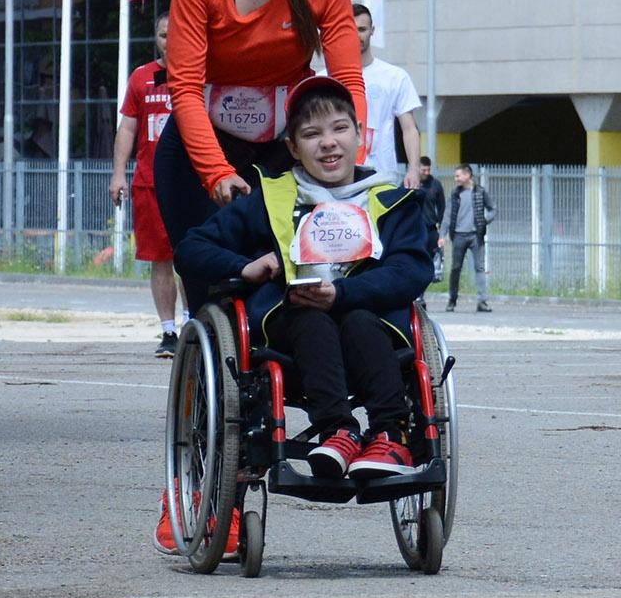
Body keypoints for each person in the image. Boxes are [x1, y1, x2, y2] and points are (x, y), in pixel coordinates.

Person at [173, 74, 434, 482]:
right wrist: (245, 267)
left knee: (358, 318)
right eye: (311, 134)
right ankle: (339, 432)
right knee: (310, 319)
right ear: (293, 148)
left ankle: (390, 433)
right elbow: (190, 249)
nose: (328, 142)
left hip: (371, 327)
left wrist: (343, 292)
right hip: (290, 334)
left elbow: (412, 270)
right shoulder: (270, 197)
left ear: (359, 135)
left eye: (339, 128)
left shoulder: (392, 201)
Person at [157, 0, 367, 311]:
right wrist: (217, 173)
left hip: (282, 147)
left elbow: (348, 80)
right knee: (212, 289)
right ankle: (212, 372)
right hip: (201, 148)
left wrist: (353, 156)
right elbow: (185, 88)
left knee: (291, 281)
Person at [111, 11, 184, 355]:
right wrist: (118, 173)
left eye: (176, 34)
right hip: (150, 183)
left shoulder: (199, 74)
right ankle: (168, 332)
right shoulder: (142, 78)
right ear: (156, 38)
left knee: (193, 258)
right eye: (163, 35)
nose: (169, 41)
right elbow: (127, 128)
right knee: (161, 260)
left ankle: (194, 323)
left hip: (191, 182)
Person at [351, 2, 425, 189]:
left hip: (381, 178)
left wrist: (414, 170)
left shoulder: (395, 77)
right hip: (338, 180)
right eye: (351, 29)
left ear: (372, 31)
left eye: (362, 29)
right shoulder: (327, 78)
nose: (356, 35)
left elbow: (409, 128)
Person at [442, 162, 495, 313]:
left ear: (467, 175)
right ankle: (452, 300)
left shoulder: (481, 192)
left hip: (475, 236)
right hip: (458, 236)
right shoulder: (455, 194)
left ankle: (482, 302)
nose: (456, 178)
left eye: (458, 175)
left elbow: (492, 209)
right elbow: (447, 215)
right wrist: (442, 235)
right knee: (455, 268)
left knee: (479, 268)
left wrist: (486, 219)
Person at [415, 158, 447, 282]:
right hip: (415, 229)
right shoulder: (410, 182)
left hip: (430, 229)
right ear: (418, 169)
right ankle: (416, 295)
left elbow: (441, 208)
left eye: (428, 170)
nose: (426, 173)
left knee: (428, 261)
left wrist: (442, 233)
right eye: (424, 170)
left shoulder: (435, 184)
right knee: (415, 260)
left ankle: (421, 294)